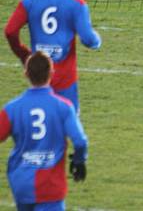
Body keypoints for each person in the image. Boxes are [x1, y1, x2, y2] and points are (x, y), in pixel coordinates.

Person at [4, 0, 102, 114]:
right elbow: (89, 39)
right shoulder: (77, 4)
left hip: (39, 78)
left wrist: (25, 55)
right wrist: (97, 41)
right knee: (66, 127)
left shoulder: (29, 2)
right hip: (66, 81)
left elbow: (10, 31)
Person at [0, 51, 88, 211]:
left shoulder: (11, 109)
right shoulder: (64, 107)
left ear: (26, 73)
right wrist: (79, 161)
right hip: (50, 186)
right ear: (51, 73)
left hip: (21, 183)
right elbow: (80, 141)